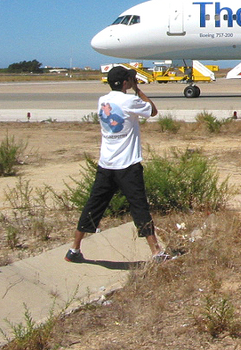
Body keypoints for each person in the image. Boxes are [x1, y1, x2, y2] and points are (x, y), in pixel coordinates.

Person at [66, 65, 169, 262]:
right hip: (127, 165)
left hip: (106, 163)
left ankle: (74, 249)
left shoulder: (103, 100)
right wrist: (138, 89)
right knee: (139, 207)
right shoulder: (130, 100)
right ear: (125, 83)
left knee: (93, 205)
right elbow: (153, 111)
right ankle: (156, 252)